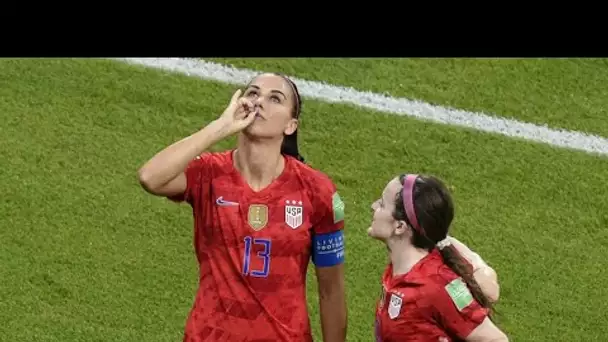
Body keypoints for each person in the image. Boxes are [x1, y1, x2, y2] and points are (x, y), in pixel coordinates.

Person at [137, 73, 347, 342]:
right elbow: (150, 177)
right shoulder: (209, 173)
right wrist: (220, 127)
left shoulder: (317, 191)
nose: (259, 102)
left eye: (275, 99)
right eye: (252, 93)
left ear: (291, 125)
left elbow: (332, 290)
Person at [369, 174, 508, 341]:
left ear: (400, 226)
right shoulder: (403, 268)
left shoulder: (434, 285)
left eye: (382, 204)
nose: (373, 206)